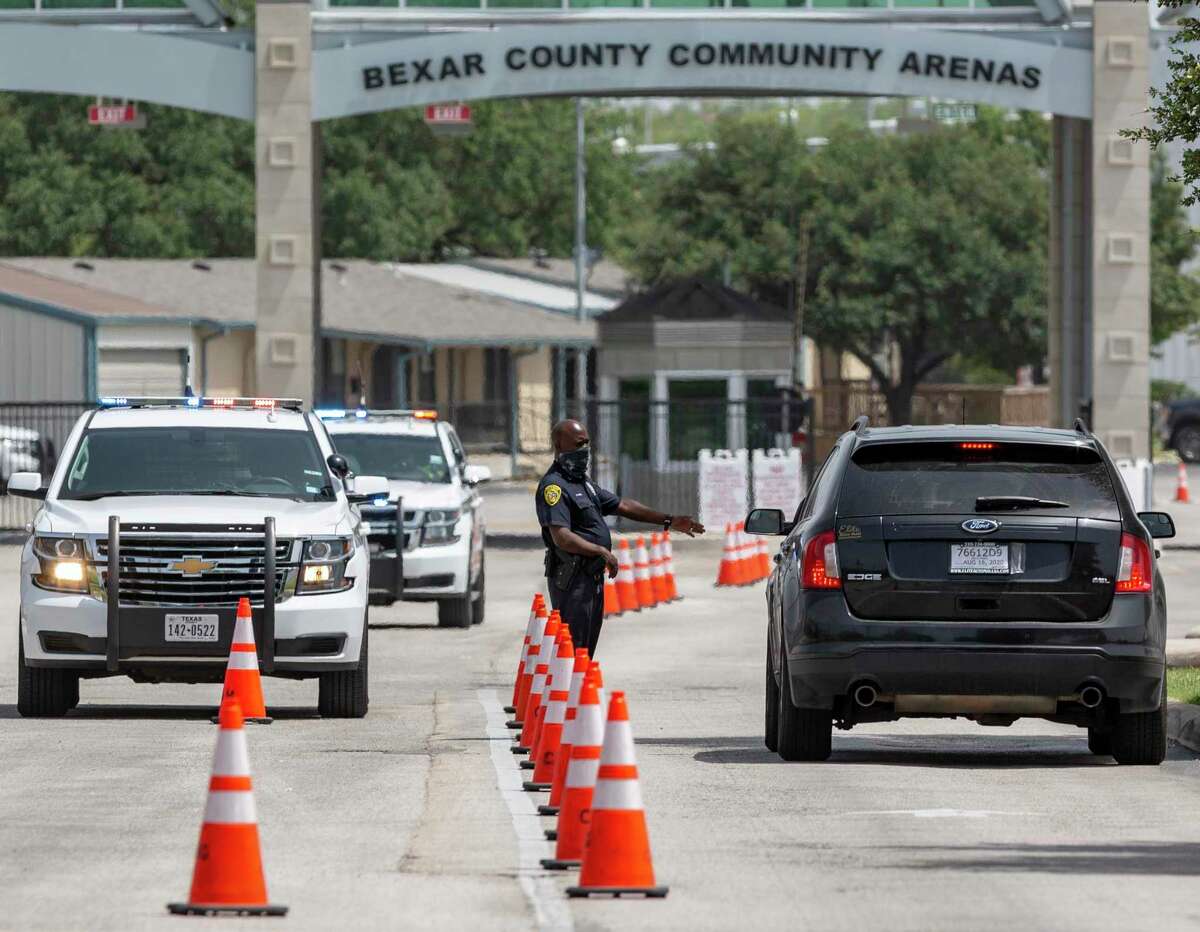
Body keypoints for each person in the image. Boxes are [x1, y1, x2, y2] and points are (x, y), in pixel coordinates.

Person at [535, 419, 704, 656]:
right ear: (559, 445)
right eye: (578, 444)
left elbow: (622, 505)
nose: (584, 450)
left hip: (590, 579)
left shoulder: (583, 483)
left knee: (585, 650)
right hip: (572, 580)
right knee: (572, 651)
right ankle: (569, 693)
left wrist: (669, 520)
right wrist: (600, 551)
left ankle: (580, 691)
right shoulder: (554, 487)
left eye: (587, 444)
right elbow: (561, 537)